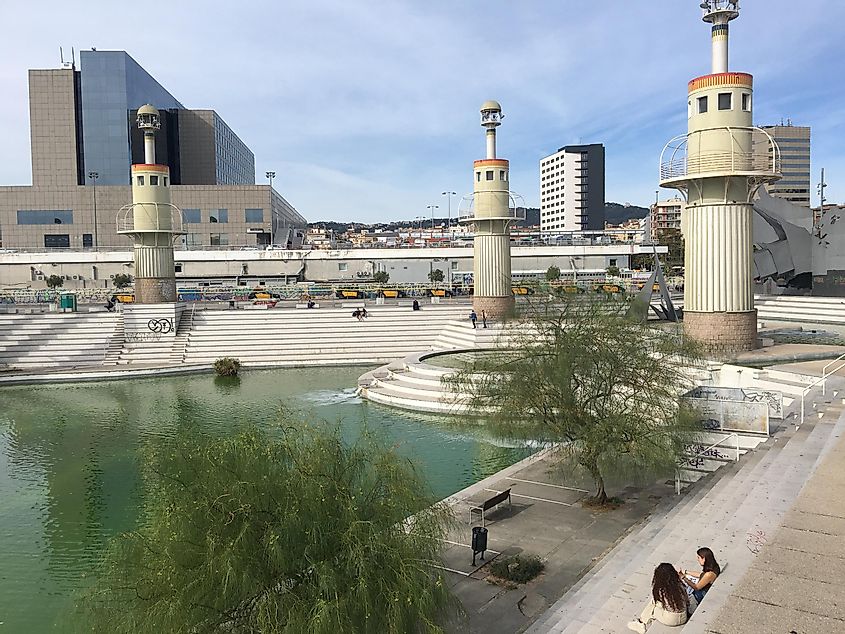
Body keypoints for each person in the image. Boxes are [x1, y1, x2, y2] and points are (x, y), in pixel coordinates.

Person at [627, 563, 689, 633]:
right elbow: (686, 599)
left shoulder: (661, 590)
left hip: (670, 619)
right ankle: (641, 621)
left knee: (653, 606)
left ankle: (641, 622)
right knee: (656, 604)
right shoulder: (679, 585)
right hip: (683, 616)